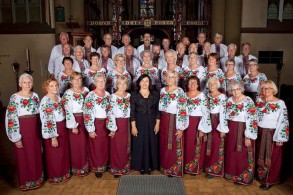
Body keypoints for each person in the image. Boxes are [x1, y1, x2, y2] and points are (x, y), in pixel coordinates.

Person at [5, 73, 44, 190]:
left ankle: (38, 178)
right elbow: (11, 118)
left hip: (35, 128)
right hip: (23, 129)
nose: (27, 85)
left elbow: (40, 113)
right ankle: (27, 181)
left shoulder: (35, 96)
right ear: (20, 84)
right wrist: (16, 137)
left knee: (36, 153)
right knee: (24, 154)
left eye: (29, 82)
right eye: (25, 82)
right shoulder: (15, 98)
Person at [256, 80, 289, 190]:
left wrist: (280, 137)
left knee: (271, 157)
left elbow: (283, 120)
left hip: (272, 133)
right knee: (260, 154)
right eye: (264, 88)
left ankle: (269, 180)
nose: (266, 90)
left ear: (273, 90)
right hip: (260, 132)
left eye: (269, 88)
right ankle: (260, 176)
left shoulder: (280, 103)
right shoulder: (259, 100)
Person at [224, 81, 258, 185]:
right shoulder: (229, 100)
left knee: (242, 152)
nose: (235, 91)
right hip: (231, 129)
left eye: (237, 89)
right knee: (231, 152)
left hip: (243, 129)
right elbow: (226, 115)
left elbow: (252, 119)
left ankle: (243, 177)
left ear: (241, 89)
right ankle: (231, 174)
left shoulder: (248, 101)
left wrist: (248, 136)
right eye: (233, 89)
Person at [40, 77, 71, 184]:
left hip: (62, 128)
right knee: (54, 153)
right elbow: (47, 120)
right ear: (46, 88)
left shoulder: (58, 97)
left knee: (63, 152)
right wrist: (53, 136)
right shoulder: (46, 101)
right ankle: (55, 175)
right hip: (53, 129)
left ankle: (64, 173)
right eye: (52, 86)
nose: (55, 87)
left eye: (56, 85)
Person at [159, 70, 189, 177]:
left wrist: (181, 128)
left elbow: (182, 109)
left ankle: (174, 169)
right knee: (164, 143)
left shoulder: (179, 91)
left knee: (173, 144)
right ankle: (165, 167)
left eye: (172, 77)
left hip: (174, 120)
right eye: (168, 77)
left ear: (176, 78)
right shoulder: (162, 90)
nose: (170, 79)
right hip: (163, 120)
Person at [131, 74, 160, 175]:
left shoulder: (155, 94)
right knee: (140, 142)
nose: (144, 83)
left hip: (152, 121)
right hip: (139, 121)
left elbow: (157, 110)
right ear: (139, 82)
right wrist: (133, 127)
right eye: (142, 81)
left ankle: (151, 165)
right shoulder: (134, 94)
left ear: (150, 83)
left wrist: (157, 124)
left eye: (147, 81)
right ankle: (140, 165)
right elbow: (132, 112)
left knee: (151, 142)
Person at [62, 72, 89, 176]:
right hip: (75, 120)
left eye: (79, 79)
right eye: (75, 79)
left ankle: (86, 165)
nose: (77, 81)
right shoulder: (68, 93)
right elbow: (67, 110)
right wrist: (73, 126)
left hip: (86, 118)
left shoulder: (86, 90)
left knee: (86, 143)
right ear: (71, 81)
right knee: (77, 145)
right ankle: (78, 167)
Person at [83, 73, 110, 178]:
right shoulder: (91, 95)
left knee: (105, 146)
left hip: (107, 123)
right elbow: (88, 113)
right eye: (98, 81)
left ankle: (105, 165)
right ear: (94, 83)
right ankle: (97, 167)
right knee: (97, 146)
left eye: (103, 81)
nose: (101, 83)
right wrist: (90, 129)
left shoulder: (107, 94)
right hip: (96, 123)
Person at [184, 76, 211, 175]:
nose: (192, 85)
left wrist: (202, 128)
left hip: (197, 123)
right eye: (190, 83)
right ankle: (185, 167)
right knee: (186, 146)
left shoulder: (202, 96)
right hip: (185, 123)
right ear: (187, 84)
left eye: (194, 83)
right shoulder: (184, 95)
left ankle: (194, 168)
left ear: (198, 84)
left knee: (195, 145)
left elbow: (206, 113)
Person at [107, 76, 131, 178]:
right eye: (120, 83)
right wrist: (112, 128)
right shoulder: (113, 97)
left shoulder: (129, 95)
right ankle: (116, 168)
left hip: (127, 123)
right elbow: (110, 113)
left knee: (126, 146)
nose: (122, 86)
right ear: (117, 85)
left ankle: (125, 166)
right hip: (118, 123)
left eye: (124, 84)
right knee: (117, 146)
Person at [205, 78, 229, 178]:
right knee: (207, 144)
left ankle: (215, 170)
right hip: (207, 121)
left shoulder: (222, 96)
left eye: (214, 83)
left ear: (218, 85)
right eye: (210, 83)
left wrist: (222, 128)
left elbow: (224, 113)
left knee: (216, 145)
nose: (212, 85)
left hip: (217, 121)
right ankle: (207, 167)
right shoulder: (207, 96)